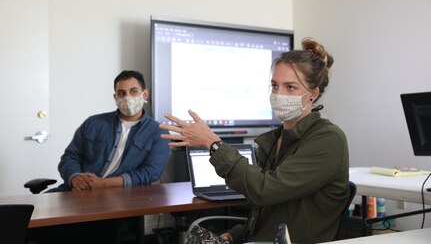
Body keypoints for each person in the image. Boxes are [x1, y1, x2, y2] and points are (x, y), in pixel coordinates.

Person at [160, 38, 349, 244]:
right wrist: (235, 234)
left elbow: (265, 190)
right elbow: (271, 210)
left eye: (290, 87)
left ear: (313, 94)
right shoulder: (277, 139)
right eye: (274, 85)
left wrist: (213, 144)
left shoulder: (328, 139)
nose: (278, 94)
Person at [54, 70, 170, 191]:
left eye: (133, 91)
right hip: (78, 191)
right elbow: (70, 157)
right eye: (121, 93)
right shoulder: (93, 123)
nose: (127, 97)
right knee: (37, 208)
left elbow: (150, 172)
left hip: (122, 196)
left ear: (145, 94)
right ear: (115, 97)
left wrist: (103, 184)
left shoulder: (158, 132)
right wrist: (75, 178)